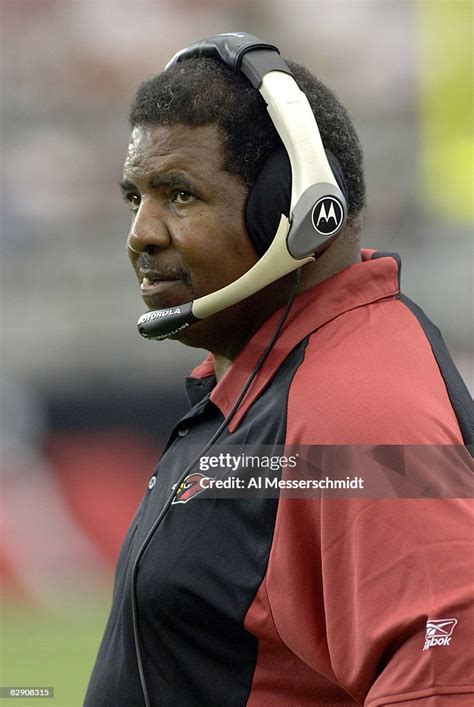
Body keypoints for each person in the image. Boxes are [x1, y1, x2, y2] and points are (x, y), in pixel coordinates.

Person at [85, 34, 473, 706]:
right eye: (135, 198)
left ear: (297, 210)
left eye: (178, 195)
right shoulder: (274, 377)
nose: (141, 233)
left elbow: (450, 670)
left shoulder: (360, 408)